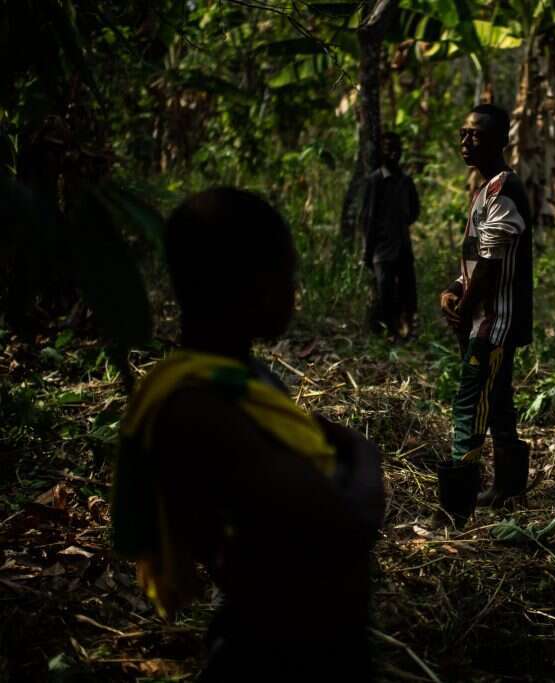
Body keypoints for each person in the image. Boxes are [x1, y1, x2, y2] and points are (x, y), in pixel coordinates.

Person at [112, 188, 385, 680]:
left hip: (317, 633)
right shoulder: (200, 404)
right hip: (270, 646)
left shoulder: (243, 379)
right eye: (289, 275)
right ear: (257, 286)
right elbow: (346, 523)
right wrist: (365, 457)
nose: (294, 290)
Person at [436, 104, 534, 526]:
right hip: (483, 317)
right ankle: (509, 489)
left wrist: (467, 308)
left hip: (494, 323)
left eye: (475, 135)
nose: (465, 142)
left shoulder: (505, 189)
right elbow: (478, 257)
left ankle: (455, 510)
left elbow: (492, 264)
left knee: (470, 404)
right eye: (463, 134)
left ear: (500, 141)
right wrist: (455, 290)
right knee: (497, 403)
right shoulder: (484, 190)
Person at [362, 132, 420, 338]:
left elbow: (414, 211)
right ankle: (390, 332)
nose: (394, 153)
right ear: (381, 153)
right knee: (385, 293)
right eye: (388, 148)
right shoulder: (375, 181)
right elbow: (368, 218)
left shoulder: (406, 181)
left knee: (408, 291)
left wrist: (400, 223)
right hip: (382, 249)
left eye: (397, 148)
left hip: (403, 246)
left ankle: (409, 330)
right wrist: (367, 251)